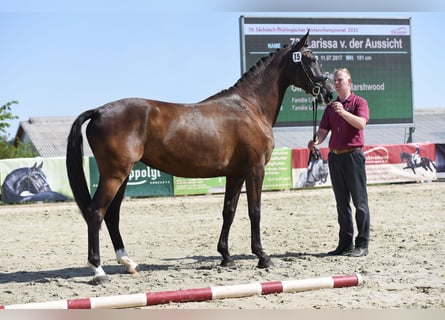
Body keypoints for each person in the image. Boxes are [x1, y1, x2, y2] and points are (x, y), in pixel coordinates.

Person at [307, 68, 370, 257]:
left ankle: (362, 244)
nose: (336, 83)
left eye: (340, 80)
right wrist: (315, 141)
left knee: (360, 202)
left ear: (349, 81)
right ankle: (345, 243)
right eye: (335, 80)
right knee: (341, 203)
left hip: (353, 156)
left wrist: (343, 113)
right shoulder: (330, 107)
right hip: (335, 157)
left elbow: (361, 124)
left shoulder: (359, 102)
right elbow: (323, 131)